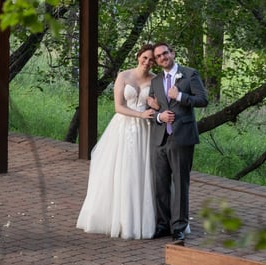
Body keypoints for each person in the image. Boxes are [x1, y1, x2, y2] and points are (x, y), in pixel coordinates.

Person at [76, 44, 158, 239]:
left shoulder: (156, 80)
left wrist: (154, 107)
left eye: (151, 59)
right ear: (138, 56)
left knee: (144, 170)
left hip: (146, 130)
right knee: (123, 170)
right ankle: (121, 218)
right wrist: (140, 113)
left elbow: (160, 104)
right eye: (145, 57)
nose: (147, 62)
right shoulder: (124, 76)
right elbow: (118, 107)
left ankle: (143, 218)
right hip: (124, 127)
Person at [147, 42, 208, 241]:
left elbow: (202, 100)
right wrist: (158, 116)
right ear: (156, 61)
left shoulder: (189, 74)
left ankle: (179, 227)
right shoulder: (156, 81)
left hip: (182, 137)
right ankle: (163, 224)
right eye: (158, 56)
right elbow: (152, 107)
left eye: (165, 53)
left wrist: (180, 95)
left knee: (180, 184)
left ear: (172, 53)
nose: (163, 57)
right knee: (160, 184)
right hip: (160, 138)